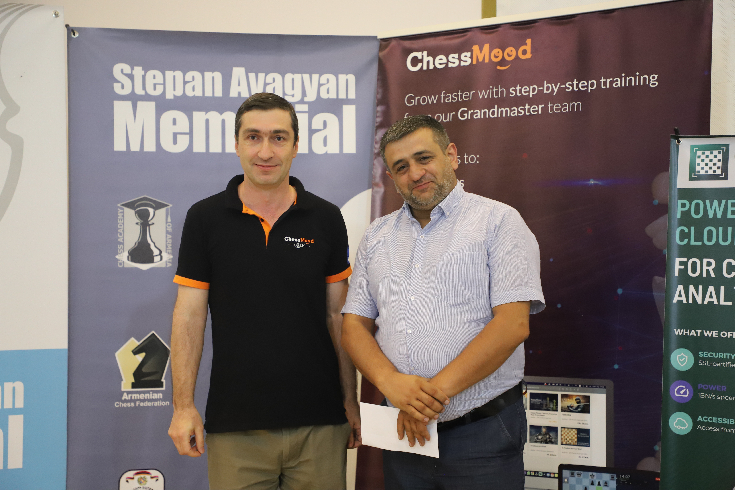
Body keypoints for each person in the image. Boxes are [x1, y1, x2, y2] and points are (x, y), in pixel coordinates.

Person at [168, 92, 361, 490]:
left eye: (278, 137)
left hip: (320, 424)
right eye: (253, 137)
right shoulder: (204, 218)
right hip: (235, 427)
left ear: (295, 145)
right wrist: (183, 407)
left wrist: (350, 399)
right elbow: (189, 315)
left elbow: (338, 316)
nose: (266, 151)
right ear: (237, 144)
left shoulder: (326, 218)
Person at [341, 115, 544, 489]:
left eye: (424, 158)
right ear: (391, 177)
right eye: (401, 167)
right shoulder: (377, 236)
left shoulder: (499, 222)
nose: (416, 173)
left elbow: (512, 325)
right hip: (403, 432)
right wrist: (391, 383)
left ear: (451, 155)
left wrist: (425, 401)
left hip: (481, 432)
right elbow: (354, 324)